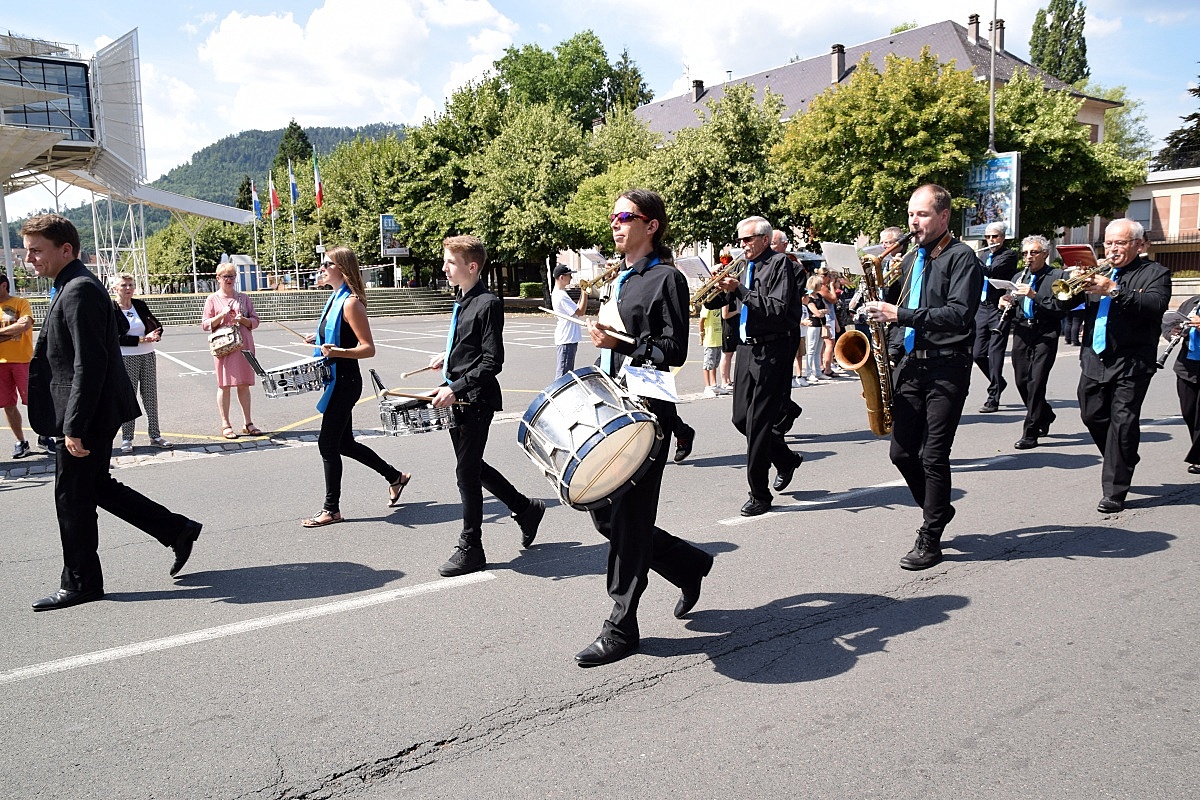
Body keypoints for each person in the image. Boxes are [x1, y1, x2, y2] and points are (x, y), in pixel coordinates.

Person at [21, 214, 202, 611]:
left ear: (65, 249)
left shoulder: (79, 289)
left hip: (89, 413)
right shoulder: (72, 284)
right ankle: (177, 529)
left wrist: (74, 425)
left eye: (36, 250)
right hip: (93, 409)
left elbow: (90, 363)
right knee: (94, 487)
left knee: (72, 497)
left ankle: (81, 582)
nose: (29, 258)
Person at [578, 188, 714, 667]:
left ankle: (621, 626)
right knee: (604, 515)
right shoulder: (620, 279)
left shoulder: (666, 278)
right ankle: (688, 564)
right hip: (613, 406)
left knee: (629, 520)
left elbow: (673, 351)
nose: (615, 224)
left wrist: (621, 343)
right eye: (613, 216)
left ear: (650, 225)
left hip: (646, 414)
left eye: (624, 216)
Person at [861, 184, 982, 570]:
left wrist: (899, 315)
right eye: (911, 214)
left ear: (943, 217)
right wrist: (888, 351)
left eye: (923, 214)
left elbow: (958, 315)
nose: (914, 221)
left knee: (933, 454)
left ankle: (930, 534)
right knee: (900, 452)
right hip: (911, 365)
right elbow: (901, 313)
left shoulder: (962, 258)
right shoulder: (913, 258)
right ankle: (938, 508)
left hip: (948, 366)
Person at [429, 235, 545, 577]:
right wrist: (448, 356)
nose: (444, 268)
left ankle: (472, 547)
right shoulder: (462, 299)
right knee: (473, 467)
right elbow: (470, 346)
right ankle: (526, 508)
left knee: (466, 473)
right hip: (458, 395)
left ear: (471, 266)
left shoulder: (488, 303)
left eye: (450, 262)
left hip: (475, 399)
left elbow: (493, 360)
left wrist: (456, 387)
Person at [1051, 219, 1171, 513]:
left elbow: (1155, 306)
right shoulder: (1098, 272)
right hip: (1095, 357)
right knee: (1091, 414)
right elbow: (1061, 304)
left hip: (1132, 361)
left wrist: (1114, 290)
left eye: (1120, 243)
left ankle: (1114, 491)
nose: (1113, 249)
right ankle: (1124, 455)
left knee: (1123, 422)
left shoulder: (1155, 273)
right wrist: (1074, 283)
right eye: (1108, 243)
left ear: (1138, 245)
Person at [301, 247, 412, 527]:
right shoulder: (334, 299)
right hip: (336, 380)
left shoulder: (350, 303)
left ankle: (331, 509)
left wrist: (337, 351)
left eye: (327, 264)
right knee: (344, 443)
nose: (322, 268)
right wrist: (318, 338)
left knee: (328, 443)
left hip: (345, 382)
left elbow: (368, 348)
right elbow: (339, 336)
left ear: (342, 268)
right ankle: (395, 476)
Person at [712, 215, 804, 516]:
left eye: (747, 239)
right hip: (745, 349)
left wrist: (739, 289)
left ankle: (759, 495)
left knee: (758, 424)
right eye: (740, 240)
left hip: (772, 348)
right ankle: (786, 459)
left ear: (765, 239)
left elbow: (776, 308)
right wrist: (717, 285)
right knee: (741, 419)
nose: (742, 245)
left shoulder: (780, 265)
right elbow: (714, 304)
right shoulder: (742, 267)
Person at [998, 236, 1066, 450]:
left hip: (1046, 332)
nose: (1028, 257)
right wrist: (1004, 303)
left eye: (1034, 253)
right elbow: (1014, 306)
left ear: (1045, 254)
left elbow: (1059, 308)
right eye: (1025, 253)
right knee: (1022, 381)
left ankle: (1030, 432)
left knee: (1036, 382)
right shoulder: (1019, 277)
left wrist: (1034, 295)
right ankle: (1044, 413)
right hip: (1022, 331)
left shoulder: (1057, 276)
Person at [112, 273, 172, 454]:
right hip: (126, 357)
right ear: (115, 288)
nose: (128, 288)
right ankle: (127, 438)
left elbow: (155, 324)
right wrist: (141, 339)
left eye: (131, 285)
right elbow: (115, 337)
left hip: (147, 355)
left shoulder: (139, 305)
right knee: (129, 397)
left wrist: (156, 334)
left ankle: (155, 434)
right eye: (124, 285)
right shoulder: (112, 308)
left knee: (150, 396)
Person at [201, 264, 263, 439]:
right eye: (225, 276)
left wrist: (242, 319)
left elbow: (255, 321)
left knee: (244, 384)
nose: (229, 280)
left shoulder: (244, 298)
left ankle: (248, 423)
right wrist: (221, 315)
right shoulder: (212, 299)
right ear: (218, 278)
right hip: (224, 347)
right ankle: (226, 424)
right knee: (224, 385)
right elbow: (205, 324)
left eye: (232, 276)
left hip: (244, 344)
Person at [974, 221, 1019, 412]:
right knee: (977, 353)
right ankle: (999, 381)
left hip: (998, 308)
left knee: (995, 354)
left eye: (995, 236)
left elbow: (991, 271)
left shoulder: (1009, 255)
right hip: (981, 308)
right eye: (988, 237)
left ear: (1003, 237)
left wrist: (971, 257)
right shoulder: (983, 255)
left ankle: (993, 397)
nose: (991, 240)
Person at [0, 274, 42, 459]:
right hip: (1, 363)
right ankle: (21, 441)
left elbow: (24, 324)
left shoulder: (20, 303)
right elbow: (17, 326)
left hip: (21, 360)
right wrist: (12, 329)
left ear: (3, 286)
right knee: (8, 405)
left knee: (34, 401)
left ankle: (44, 435)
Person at [1169, 294, 1200, 474]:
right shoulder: (1191, 303)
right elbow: (1170, 325)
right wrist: (1173, 331)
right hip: (1187, 367)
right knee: (1189, 413)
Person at [550, 264, 586, 379]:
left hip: (569, 337)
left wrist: (583, 292)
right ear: (561, 277)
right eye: (569, 275)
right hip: (567, 338)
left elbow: (576, 309)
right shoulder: (561, 295)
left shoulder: (561, 292)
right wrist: (585, 292)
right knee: (563, 376)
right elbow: (580, 312)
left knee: (566, 373)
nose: (571, 277)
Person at [699, 300, 724, 397]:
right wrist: (701, 335)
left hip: (717, 338)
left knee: (714, 364)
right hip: (710, 339)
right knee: (708, 364)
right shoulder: (707, 306)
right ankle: (707, 386)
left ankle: (714, 385)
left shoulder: (718, 304)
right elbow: (701, 320)